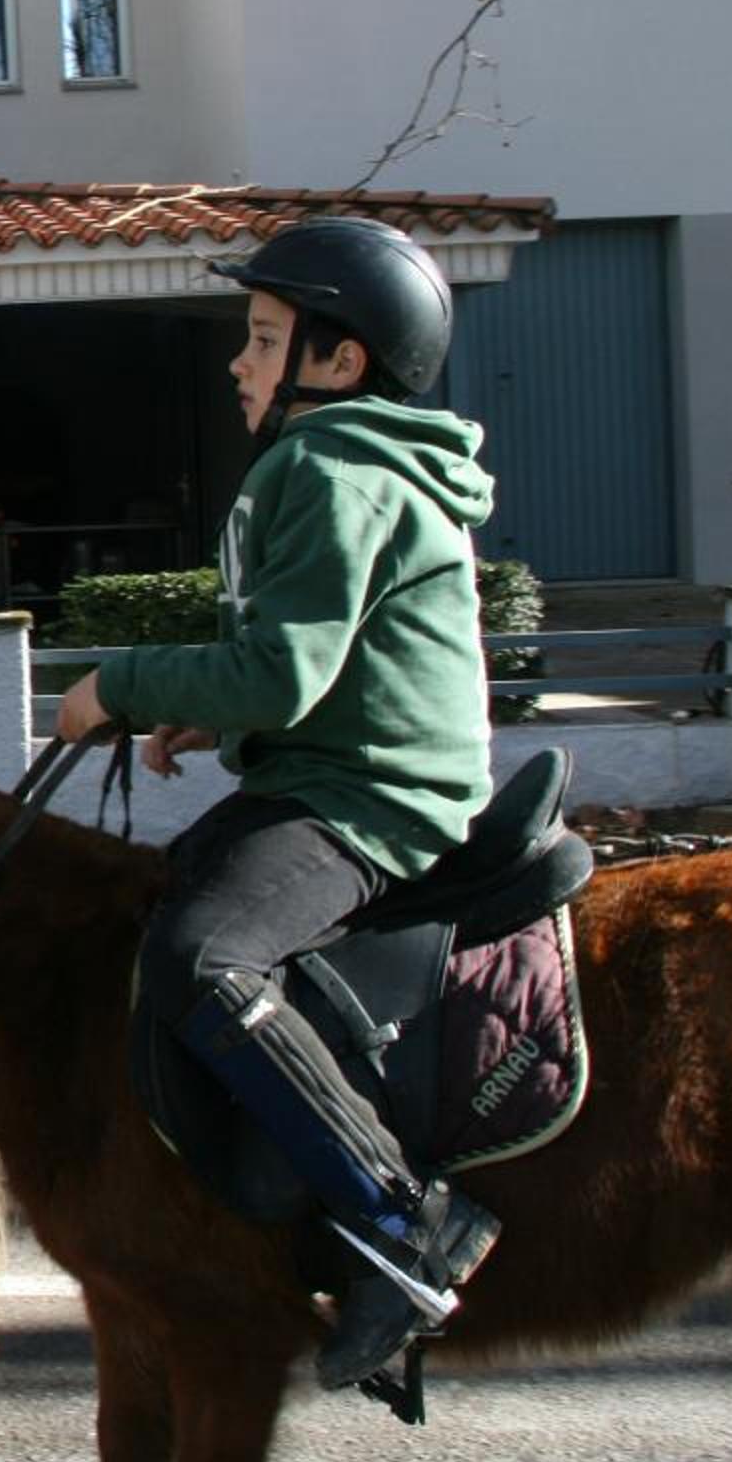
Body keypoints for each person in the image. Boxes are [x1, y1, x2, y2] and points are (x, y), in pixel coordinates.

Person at [54, 215, 500, 1393]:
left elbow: (283, 670)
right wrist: (221, 723)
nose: (238, 361)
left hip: (368, 798)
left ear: (338, 359)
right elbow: (325, 666)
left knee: (203, 956)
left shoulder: (326, 466)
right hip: (341, 766)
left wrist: (122, 685)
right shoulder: (355, 460)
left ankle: (400, 1223)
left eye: (262, 337)